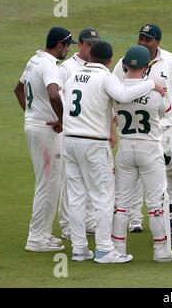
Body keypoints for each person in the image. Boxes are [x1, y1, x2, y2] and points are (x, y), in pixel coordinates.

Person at [63, 40, 165, 263]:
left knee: (77, 198)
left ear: (90, 56)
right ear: (110, 61)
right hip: (93, 142)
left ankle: (79, 249)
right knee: (103, 197)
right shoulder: (105, 77)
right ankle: (104, 250)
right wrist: (152, 85)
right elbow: (124, 95)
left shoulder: (72, 76)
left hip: (69, 140)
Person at [111, 45, 172, 262]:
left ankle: (117, 249)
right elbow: (166, 110)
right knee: (156, 202)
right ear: (146, 68)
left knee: (121, 203)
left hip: (125, 148)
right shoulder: (155, 92)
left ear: (124, 66)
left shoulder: (116, 91)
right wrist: (154, 86)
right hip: (150, 149)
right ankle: (161, 251)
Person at [14, 26, 76, 252]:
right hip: (46, 131)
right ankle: (36, 238)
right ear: (60, 45)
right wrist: (60, 119)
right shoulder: (49, 65)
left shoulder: (34, 60)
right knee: (49, 183)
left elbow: (18, 90)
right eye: (68, 46)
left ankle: (43, 234)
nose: (68, 50)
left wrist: (31, 114)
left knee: (50, 182)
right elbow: (52, 93)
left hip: (35, 126)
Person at [58, 28, 101, 240]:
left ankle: (90, 221)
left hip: (92, 131)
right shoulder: (66, 68)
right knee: (71, 181)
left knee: (93, 178)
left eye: (95, 44)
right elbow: (57, 96)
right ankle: (67, 226)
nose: (93, 48)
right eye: (89, 44)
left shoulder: (99, 66)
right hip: (72, 132)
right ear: (80, 45)